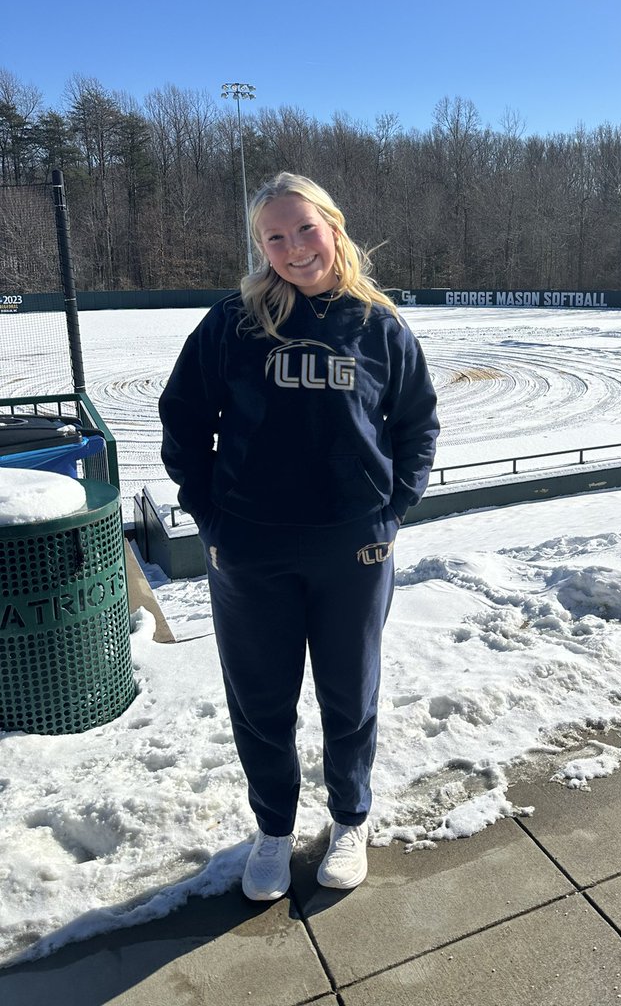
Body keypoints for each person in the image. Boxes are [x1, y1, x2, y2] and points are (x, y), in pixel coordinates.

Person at [158, 172, 439, 900]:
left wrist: (391, 507)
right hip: (251, 551)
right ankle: (274, 830)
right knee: (261, 702)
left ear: (334, 228)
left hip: (353, 550)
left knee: (350, 695)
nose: (293, 248)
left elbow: (417, 425)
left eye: (304, 229)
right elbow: (183, 422)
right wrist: (211, 516)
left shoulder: (379, 326)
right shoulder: (232, 324)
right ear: (260, 249)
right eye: (274, 238)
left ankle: (351, 818)